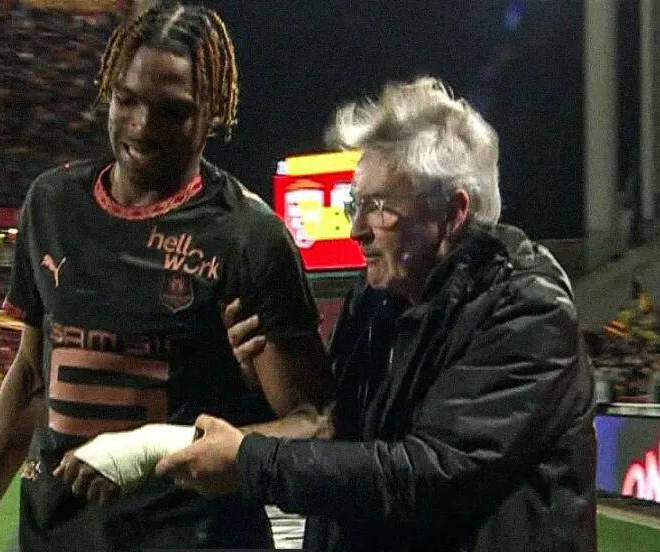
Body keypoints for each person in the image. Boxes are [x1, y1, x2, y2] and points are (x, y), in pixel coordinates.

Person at [155, 77, 598, 552]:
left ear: (453, 213)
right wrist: (261, 384)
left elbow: (430, 475)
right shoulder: (374, 303)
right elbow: (336, 438)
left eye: (379, 207)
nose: (355, 229)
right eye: (355, 203)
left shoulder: (529, 312)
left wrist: (249, 461)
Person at [0, 3, 329, 552]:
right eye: (126, 99)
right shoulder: (52, 204)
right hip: (55, 535)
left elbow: (314, 421)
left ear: (214, 114)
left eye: (172, 111)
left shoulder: (249, 237)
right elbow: (32, 375)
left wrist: (161, 446)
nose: (141, 127)